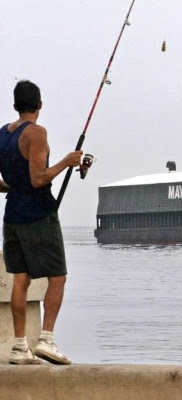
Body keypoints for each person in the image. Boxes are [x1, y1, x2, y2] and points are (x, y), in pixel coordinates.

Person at [0, 80, 82, 365]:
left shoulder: (3, 134)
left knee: (21, 279)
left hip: (12, 217)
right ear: (39, 105)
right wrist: (67, 162)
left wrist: (14, 187)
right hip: (39, 215)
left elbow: (7, 182)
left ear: (14, 105)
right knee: (57, 276)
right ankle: (46, 340)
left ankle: (20, 347)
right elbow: (38, 178)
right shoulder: (36, 132)